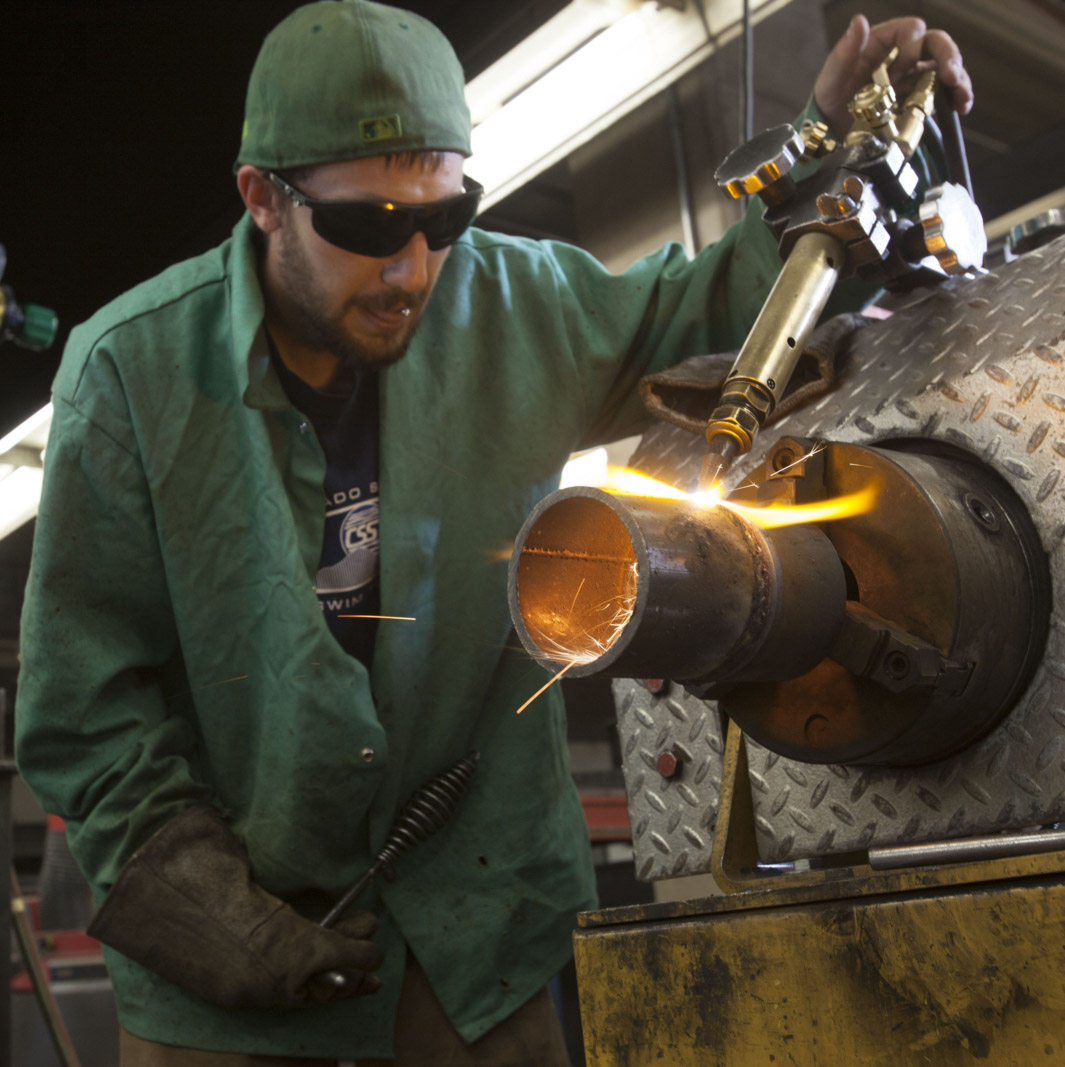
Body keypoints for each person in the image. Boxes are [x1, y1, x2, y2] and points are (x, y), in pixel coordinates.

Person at [14, 3, 972, 1064]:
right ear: (261, 199)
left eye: (443, 216)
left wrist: (833, 135)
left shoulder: (521, 305)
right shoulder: (128, 374)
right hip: (225, 991)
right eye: (369, 228)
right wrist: (195, 894)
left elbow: (722, 319)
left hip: (473, 958)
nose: (411, 267)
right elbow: (85, 703)